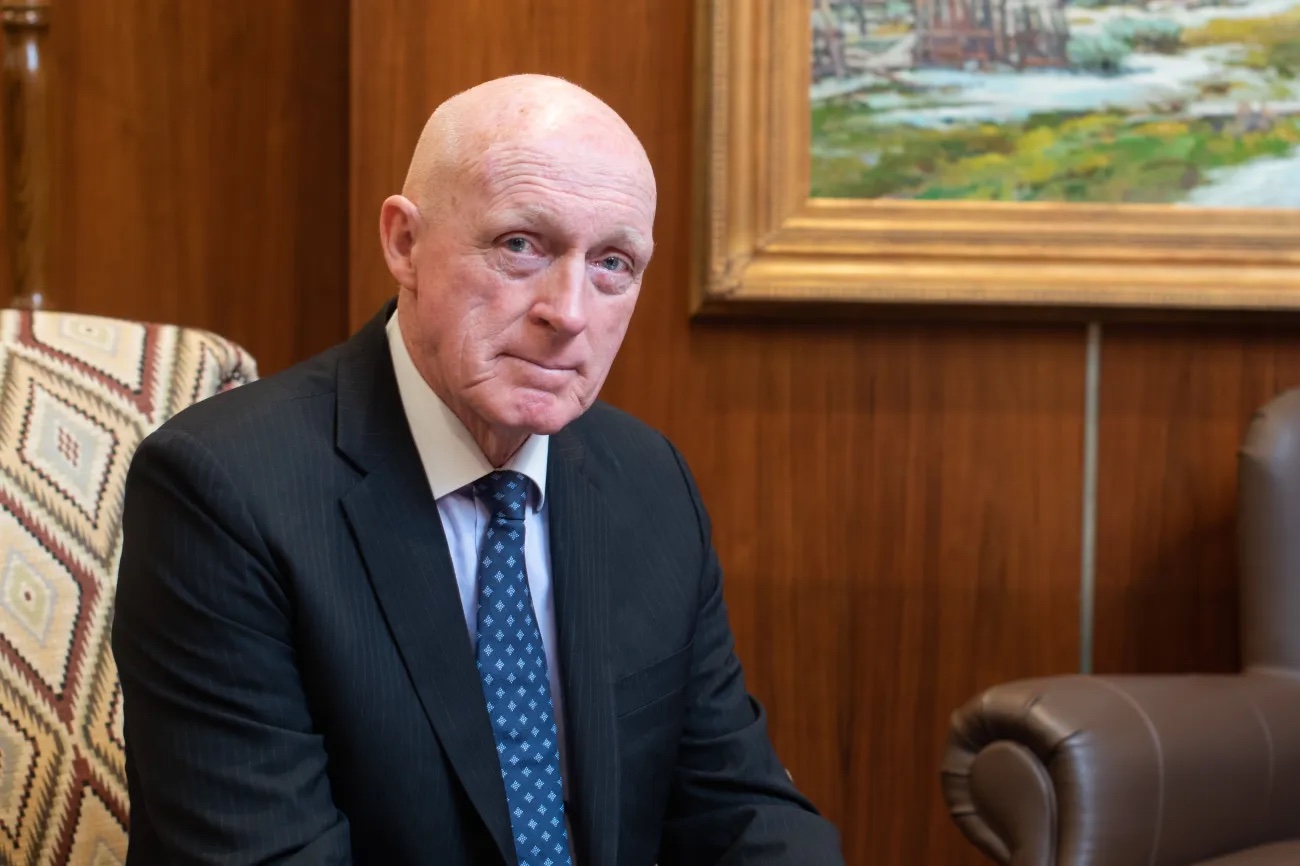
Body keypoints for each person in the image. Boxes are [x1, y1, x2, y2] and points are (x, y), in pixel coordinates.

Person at [111, 74, 844, 866]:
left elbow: (737, 809)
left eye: (613, 263)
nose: (568, 311)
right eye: (521, 245)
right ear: (404, 244)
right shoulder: (224, 493)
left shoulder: (647, 481)